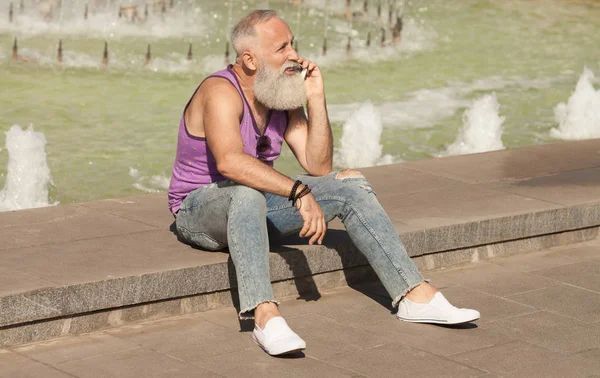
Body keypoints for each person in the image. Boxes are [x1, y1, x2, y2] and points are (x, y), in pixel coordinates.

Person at [168, 9, 480, 357]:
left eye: (292, 44)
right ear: (250, 59)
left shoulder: (278, 93)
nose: (294, 55)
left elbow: (318, 164)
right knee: (245, 193)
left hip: (253, 206)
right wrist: (297, 191)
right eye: (282, 47)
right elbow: (230, 162)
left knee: (348, 186)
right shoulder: (219, 91)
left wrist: (315, 97)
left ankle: (413, 294)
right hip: (199, 211)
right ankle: (264, 316)